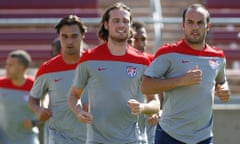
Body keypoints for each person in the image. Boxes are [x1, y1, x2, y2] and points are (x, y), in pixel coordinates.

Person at [67, 2, 160, 144]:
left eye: (125, 21)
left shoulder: (143, 61)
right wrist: (78, 112)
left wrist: (143, 108)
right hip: (98, 140)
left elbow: (155, 102)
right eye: (116, 21)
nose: (121, 25)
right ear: (106, 24)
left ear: (130, 26)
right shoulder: (89, 58)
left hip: (134, 140)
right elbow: (73, 95)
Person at [141, 4, 231, 144]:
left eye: (200, 23)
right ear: (183, 25)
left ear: (208, 26)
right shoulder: (167, 53)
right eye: (190, 22)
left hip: (204, 138)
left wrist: (223, 88)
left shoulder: (218, 57)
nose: (195, 27)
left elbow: (221, 81)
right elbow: (145, 86)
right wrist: (181, 80)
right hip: (169, 136)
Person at [28, 15, 88, 144]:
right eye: (64, 36)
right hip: (60, 138)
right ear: (59, 37)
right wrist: (38, 110)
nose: (69, 41)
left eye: (74, 36)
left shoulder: (95, 63)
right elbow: (33, 98)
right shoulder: (47, 68)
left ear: (83, 36)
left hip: (93, 137)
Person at [0, 50, 39, 144]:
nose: (6, 68)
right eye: (6, 64)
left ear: (22, 68)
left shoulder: (35, 86)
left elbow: (45, 113)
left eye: (11, 65)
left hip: (28, 140)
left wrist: (34, 123)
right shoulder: (1, 84)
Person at [129, 21, 159, 144]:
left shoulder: (153, 62)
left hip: (148, 125)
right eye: (136, 39)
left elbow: (161, 96)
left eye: (143, 39)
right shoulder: (118, 63)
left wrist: (158, 112)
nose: (140, 44)